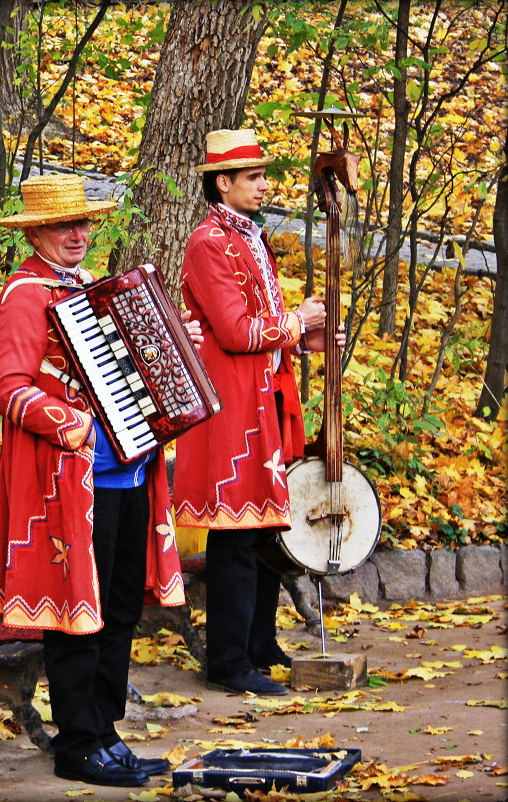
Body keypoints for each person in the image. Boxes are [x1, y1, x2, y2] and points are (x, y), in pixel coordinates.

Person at [0, 173, 200, 787]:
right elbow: (9, 388)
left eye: (84, 223)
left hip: (132, 470)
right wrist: (71, 425)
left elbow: (129, 364)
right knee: (78, 614)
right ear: (36, 231)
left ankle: (106, 733)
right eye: (65, 225)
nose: (79, 234)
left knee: (119, 609)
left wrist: (174, 343)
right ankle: (79, 744)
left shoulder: (87, 287)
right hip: (72, 480)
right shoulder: (26, 294)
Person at [173, 129, 346, 696]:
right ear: (223, 183)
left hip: (266, 395)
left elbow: (264, 333)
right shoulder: (207, 243)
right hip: (231, 403)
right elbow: (234, 331)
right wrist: (296, 321)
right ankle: (226, 662)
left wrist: (307, 339)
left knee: (268, 530)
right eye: (254, 177)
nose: (265, 185)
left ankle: (258, 644)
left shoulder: (249, 237)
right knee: (233, 533)